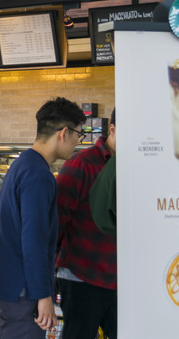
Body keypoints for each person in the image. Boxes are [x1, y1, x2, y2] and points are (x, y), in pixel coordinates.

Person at [0, 97, 86, 339]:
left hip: (8, 282)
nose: (77, 143)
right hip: (22, 289)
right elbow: (34, 240)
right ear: (63, 133)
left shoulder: (23, 163)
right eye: (78, 136)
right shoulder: (39, 175)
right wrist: (43, 296)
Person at [56, 109, 117, 339]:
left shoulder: (136, 167)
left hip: (121, 279)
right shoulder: (81, 164)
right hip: (82, 276)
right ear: (112, 129)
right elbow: (57, 220)